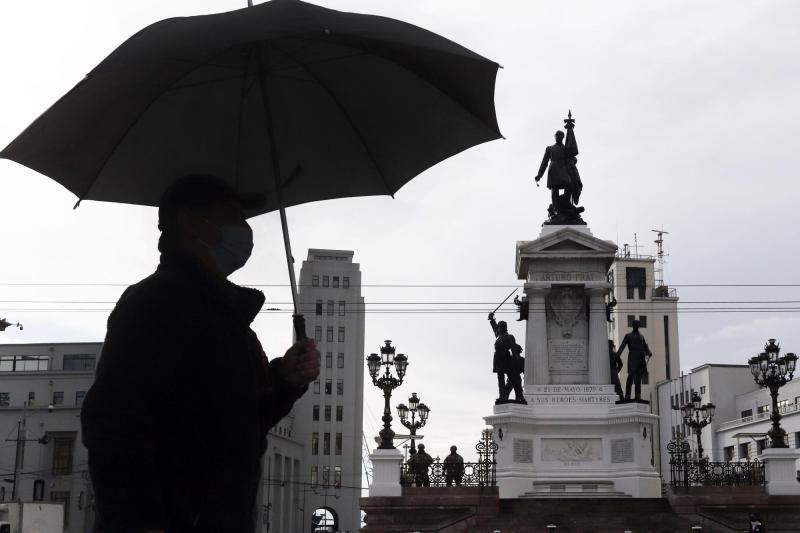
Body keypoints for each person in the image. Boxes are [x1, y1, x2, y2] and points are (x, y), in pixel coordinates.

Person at [80, 175, 321, 533]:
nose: (245, 229)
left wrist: (285, 380)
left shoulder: (226, 316)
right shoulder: (154, 304)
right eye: (231, 214)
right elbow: (114, 425)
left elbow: (237, 422)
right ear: (190, 221)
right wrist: (142, 523)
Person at [488, 313, 524, 403]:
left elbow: (513, 349)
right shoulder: (498, 335)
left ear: (504, 328)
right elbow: (494, 328)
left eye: (500, 327)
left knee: (512, 378)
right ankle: (502, 396)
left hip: (506, 359)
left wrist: (515, 359)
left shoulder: (509, 337)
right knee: (500, 379)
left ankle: (519, 396)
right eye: (499, 327)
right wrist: (492, 319)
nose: (498, 329)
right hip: (497, 359)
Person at [616, 320, 652, 401]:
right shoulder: (628, 336)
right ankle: (627, 396)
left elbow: (645, 346)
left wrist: (649, 352)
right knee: (630, 376)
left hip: (641, 358)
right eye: (635, 325)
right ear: (633, 326)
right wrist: (617, 355)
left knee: (638, 378)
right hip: (632, 357)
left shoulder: (641, 336)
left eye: (638, 325)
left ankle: (637, 396)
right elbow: (622, 346)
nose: (637, 326)